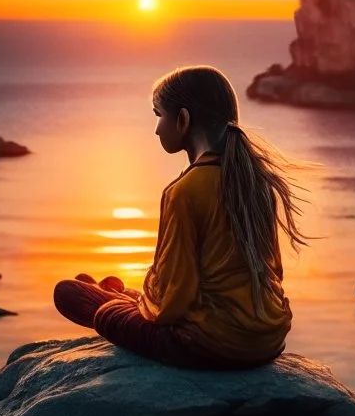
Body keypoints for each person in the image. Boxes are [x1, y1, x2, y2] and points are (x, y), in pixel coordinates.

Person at [53, 65, 310, 370]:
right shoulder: (258, 182)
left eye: (158, 115)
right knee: (126, 300)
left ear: (183, 119)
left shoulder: (185, 190)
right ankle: (114, 294)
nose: (156, 129)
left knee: (72, 295)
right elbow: (273, 273)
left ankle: (110, 297)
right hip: (268, 341)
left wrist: (141, 302)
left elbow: (173, 303)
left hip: (208, 346)